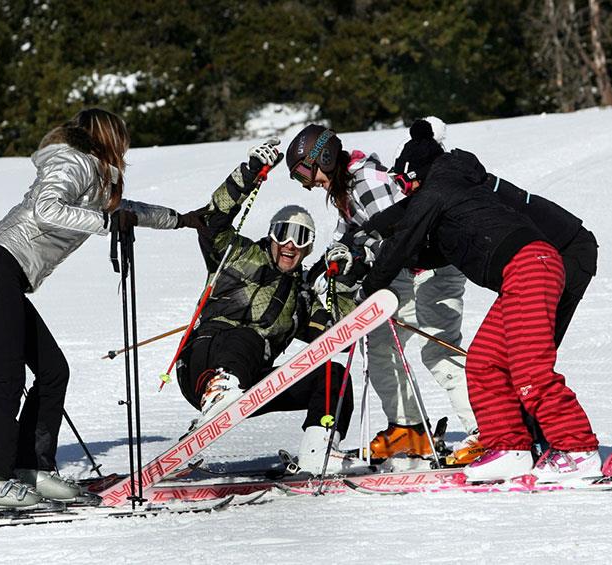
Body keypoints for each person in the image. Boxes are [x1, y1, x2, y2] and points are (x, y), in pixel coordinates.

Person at [0, 109, 199, 512]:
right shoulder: (71, 160)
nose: (125, 146)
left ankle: (30, 466)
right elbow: (46, 209)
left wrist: (182, 220)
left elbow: (127, 210)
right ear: (107, 136)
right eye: (121, 137)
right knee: (8, 375)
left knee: (53, 371)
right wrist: (107, 223)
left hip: (7, 273)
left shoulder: (94, 172)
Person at [358, 120, 600, 483]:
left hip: (532, 266)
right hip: (524, 271)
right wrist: (367, 230)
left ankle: (578, 450)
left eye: (404, 183)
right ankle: (510, 447)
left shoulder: (435, 190)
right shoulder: (455, 185)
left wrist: (369, 288)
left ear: (414, 175)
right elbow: (405, 223)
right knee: (485, 362)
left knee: (530, 370)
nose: (404, 191)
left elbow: (402, 242)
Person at [285, 124, 479, 466]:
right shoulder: (346, 189)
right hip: (402, 270)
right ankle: (409, 429)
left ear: (325, 159)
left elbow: (400, 235)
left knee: (438, 346)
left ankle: (491, 429)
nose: (308, 182)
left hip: (431, 265)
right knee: (380, 346)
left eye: (305, 172)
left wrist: (360, 260)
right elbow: (350, 236)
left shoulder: (367, 182)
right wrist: (323, 268)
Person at [175, 139, 360, 475]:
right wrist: (249, 174)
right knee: (246, 336)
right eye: (284, 234)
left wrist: (339, 282)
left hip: (251, 383)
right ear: (271, 236)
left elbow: (336, 335)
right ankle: (219, 393)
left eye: (302, 238)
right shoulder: (238, 255)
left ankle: (320, 447)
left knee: (334, 374)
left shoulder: (300, 297)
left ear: (307, 250)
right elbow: (212, 219)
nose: (291, 244)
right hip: (203, 362)